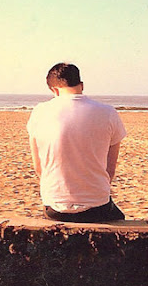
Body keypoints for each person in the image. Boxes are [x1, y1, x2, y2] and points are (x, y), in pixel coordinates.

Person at [27, 63, 127, 223]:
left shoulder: (39, 112)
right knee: (119, 218)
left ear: (54, 90)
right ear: (82, 85)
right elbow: (110, 171)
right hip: (97, 206)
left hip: (55, 206)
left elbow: (39, 168)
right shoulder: (108, 112)